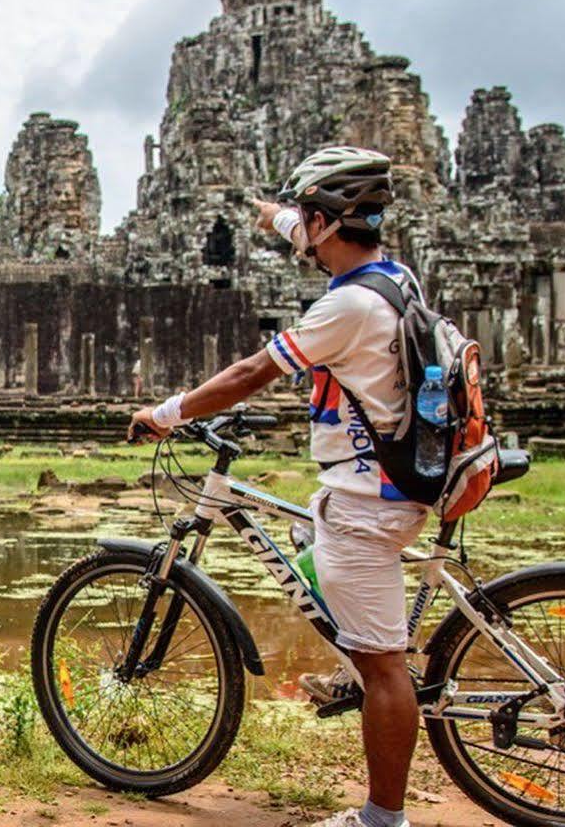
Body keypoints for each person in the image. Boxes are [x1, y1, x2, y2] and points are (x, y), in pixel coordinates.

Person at [126, 146, 426, 827]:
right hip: (374, 489)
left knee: (386, 670)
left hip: (369, 500)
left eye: (309, 220)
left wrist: (168, 414)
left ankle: (384, 817)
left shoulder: (345, 308)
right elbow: (319, 234)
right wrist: (278, 218)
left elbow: (249, 374)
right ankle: (356, 666)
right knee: (304, 536)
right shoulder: (391, 277)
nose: (304, 234)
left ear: (327, 223)